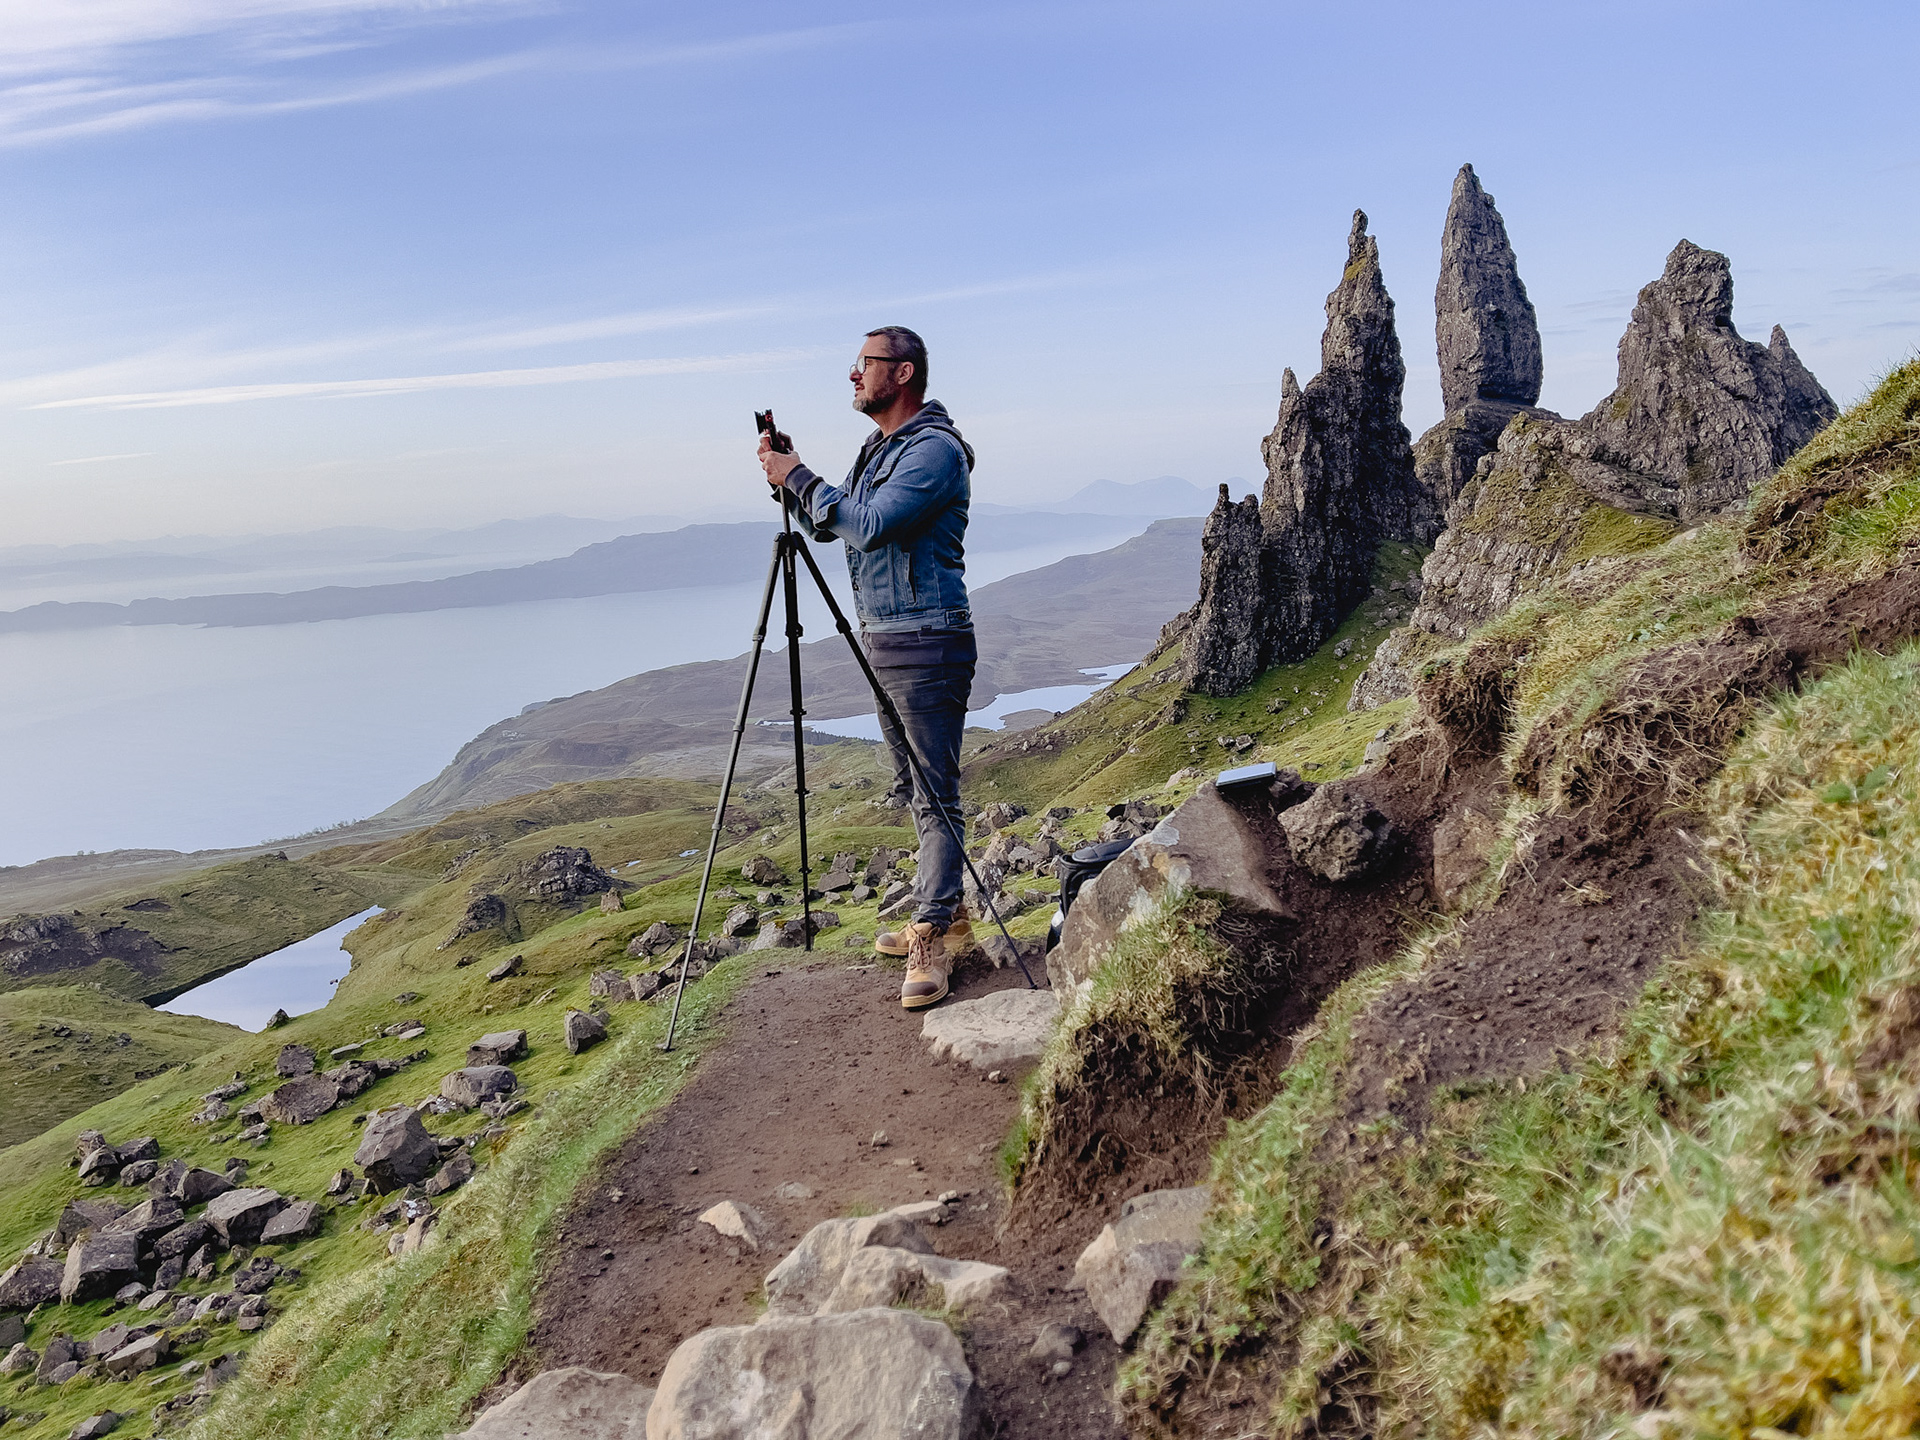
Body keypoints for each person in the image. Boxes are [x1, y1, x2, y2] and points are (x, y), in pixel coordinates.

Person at [757, 326, 974, 1010]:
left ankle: (932, 933)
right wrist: (793, 478)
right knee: (914, 789)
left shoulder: (934, 451)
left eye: (864, 365)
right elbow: (835, 523)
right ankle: (948, 913)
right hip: (887, 640)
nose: (853, 376)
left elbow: (873, 523)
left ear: (902, 373)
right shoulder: (878, 449)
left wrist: (799, 479)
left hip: (926, 639)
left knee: (937, 796)